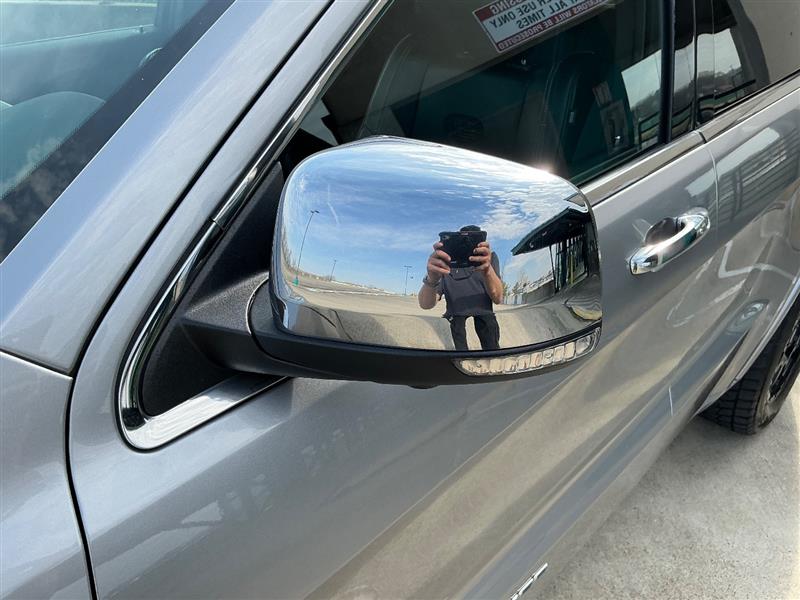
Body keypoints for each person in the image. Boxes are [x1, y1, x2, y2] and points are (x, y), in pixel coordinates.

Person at [418, 225, 503, 350]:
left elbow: (498, 298)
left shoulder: (488, 259)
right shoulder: (446, 261)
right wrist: (432, 279)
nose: (466, 246)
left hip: (485, 317)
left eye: (473, 242)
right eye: (462, 241)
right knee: (459, 351)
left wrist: (488, 270)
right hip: (455, 319)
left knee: (491, 349)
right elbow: (426, 304)